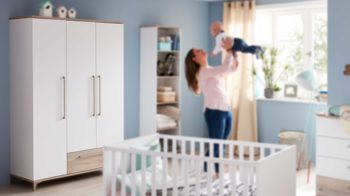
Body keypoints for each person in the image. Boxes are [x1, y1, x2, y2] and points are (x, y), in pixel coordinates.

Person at [185, 38, 238, 177]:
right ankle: (205, 170)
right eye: (197, 51)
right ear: (195, 59)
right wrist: (229, 50)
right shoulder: (202, 72)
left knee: (222, 144)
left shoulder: (211, 70)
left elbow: (231, 69)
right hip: (214, 111)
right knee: (216, 144)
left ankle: (217, 172)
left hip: (226, 110)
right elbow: (225, 68)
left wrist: (234, 54)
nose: (201, 50)